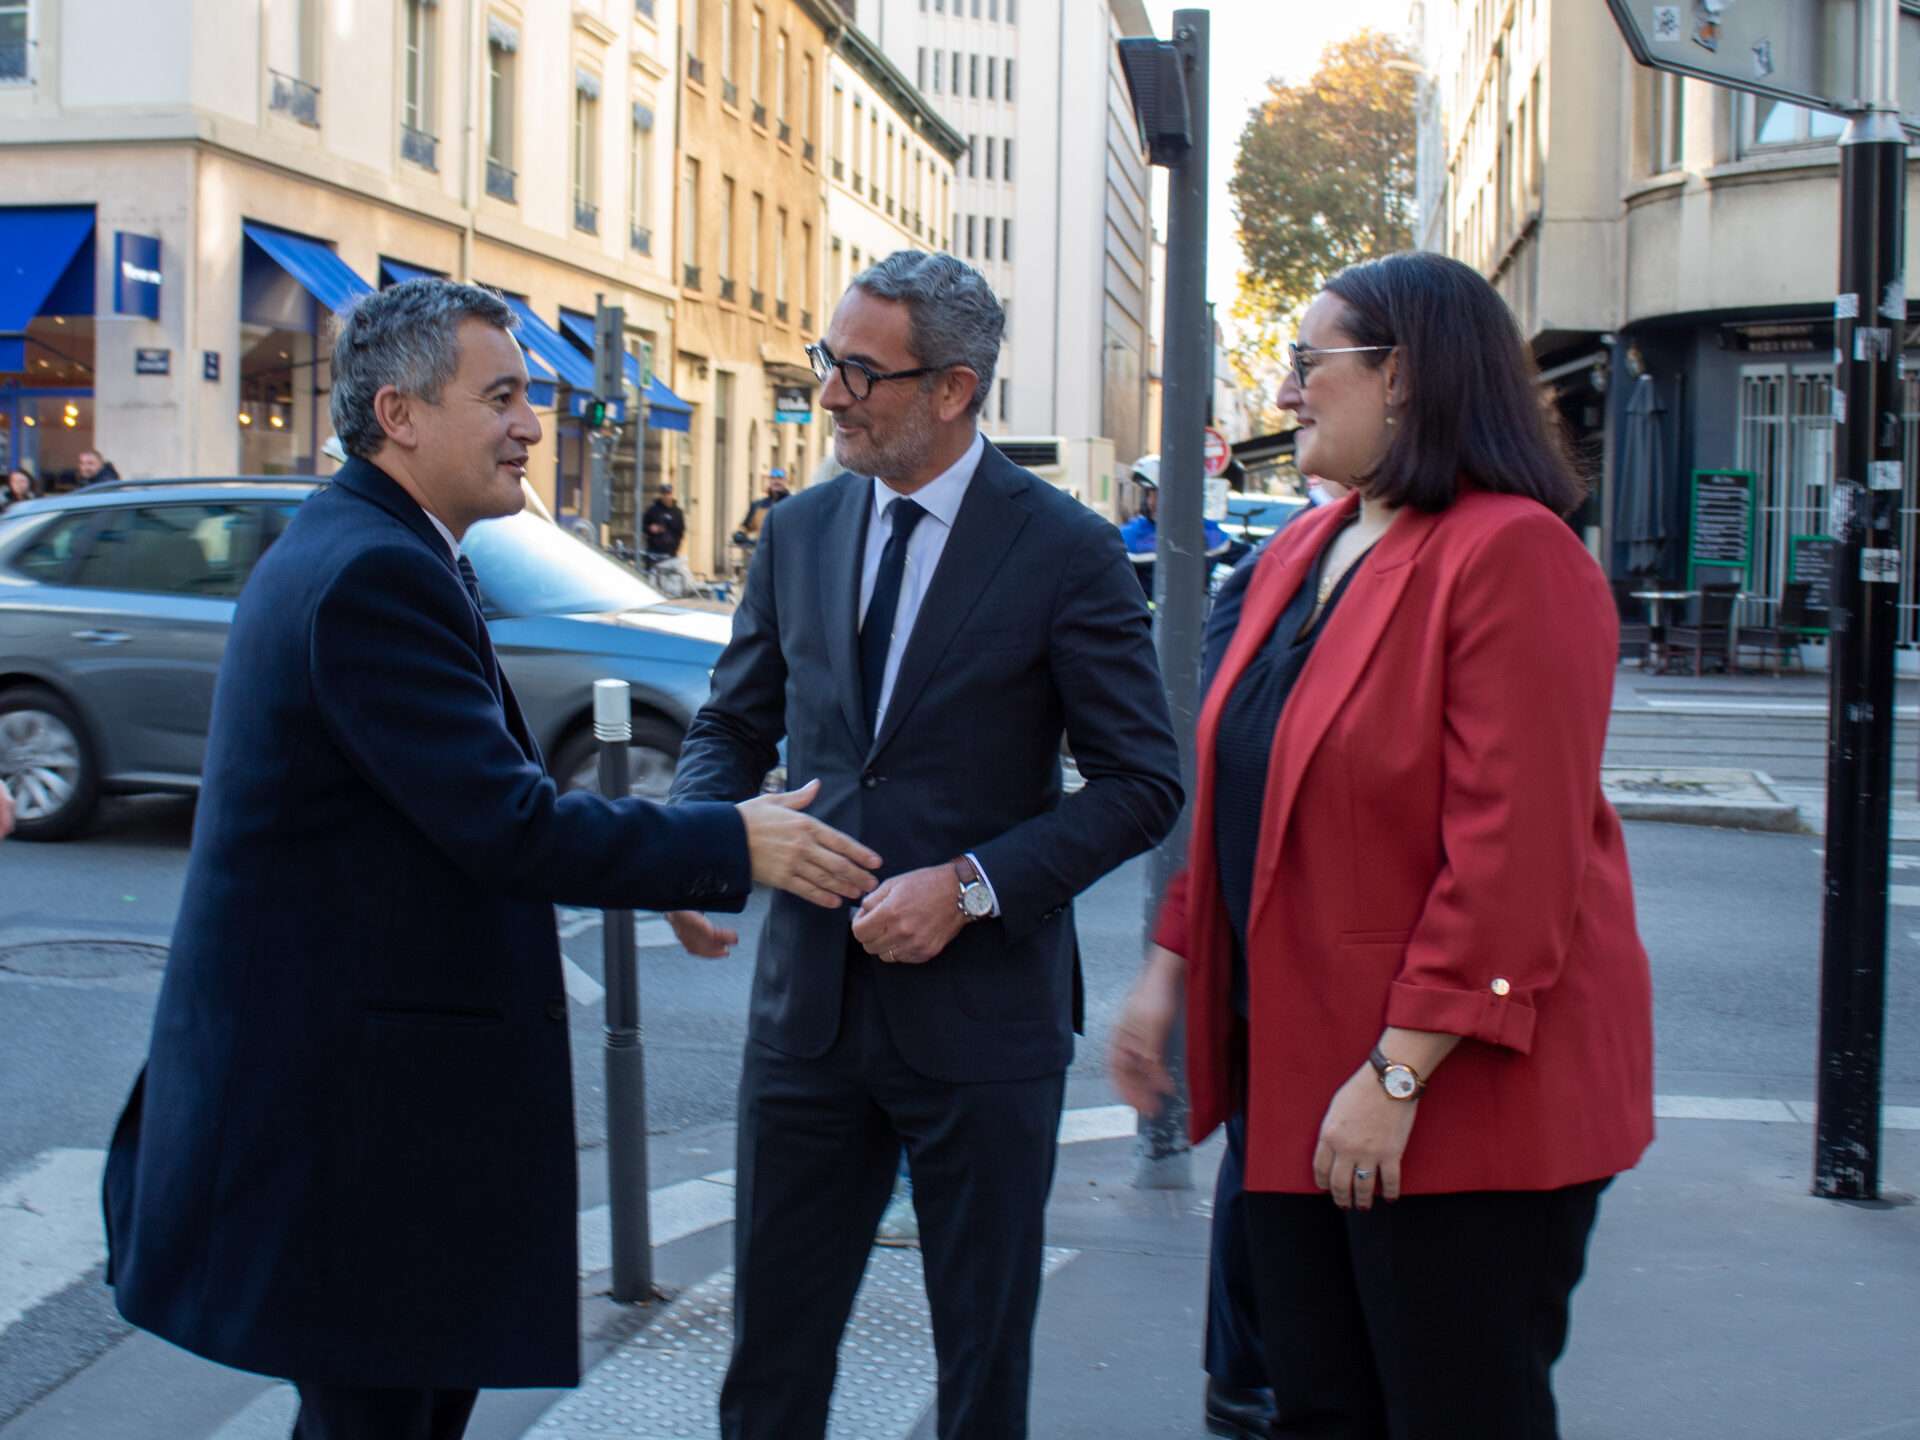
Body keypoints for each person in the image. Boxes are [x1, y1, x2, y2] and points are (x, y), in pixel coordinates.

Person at [102, 279, 882, 1440]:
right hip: (352, 1126)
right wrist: (729, 841)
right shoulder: (375, 571)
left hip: (358, 1110)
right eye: (504, 395)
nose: (533, 422)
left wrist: (682, 861)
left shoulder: (381, 545)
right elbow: (505, 823)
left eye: (533, 396)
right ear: (399, 413)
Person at [1111, 250, 1654, 1439]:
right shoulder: (1305, 552)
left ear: (1402, 377)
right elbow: (1247, 793)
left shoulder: (1515, 553)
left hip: (1459, 1098)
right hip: (1308, 1079)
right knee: (1321, 1411)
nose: (1290, 390)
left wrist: (1399, 1073)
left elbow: (1516, 858)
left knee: (1455, 1414)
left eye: (1312, 363)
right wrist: (1171, 969)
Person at [667, 250, 1183, 1440]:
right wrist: (703, 849)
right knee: (772, 1363)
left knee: (979, 1372)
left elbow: (1141, 783)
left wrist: (973, 885)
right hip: (808, 1021)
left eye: (858, 372)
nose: (829, 395)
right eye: (825, 362)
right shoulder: (796, 532)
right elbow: (734, 720)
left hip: (981, 1029)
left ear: (952, 390)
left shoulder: (1065, 550)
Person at [642, 482, 687, 557]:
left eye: (668, 493)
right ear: (661, 495)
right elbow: (643, 526)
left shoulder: (677, 512)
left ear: (671, 494)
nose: (666, 496)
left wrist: (676, 545)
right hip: (654, 552)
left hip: (671, 552)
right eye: (664, 494)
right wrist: (650, 528)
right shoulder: (652, 510)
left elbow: (681, 530)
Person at [738, 469, 789, 535]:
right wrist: (740, 533)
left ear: (785, 481)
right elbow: (745, 526)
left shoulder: (793, 505)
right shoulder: (757, 505)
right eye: (773, 478)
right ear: (770, 481)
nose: (776, 481)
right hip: (762, 544)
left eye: (780, 478)